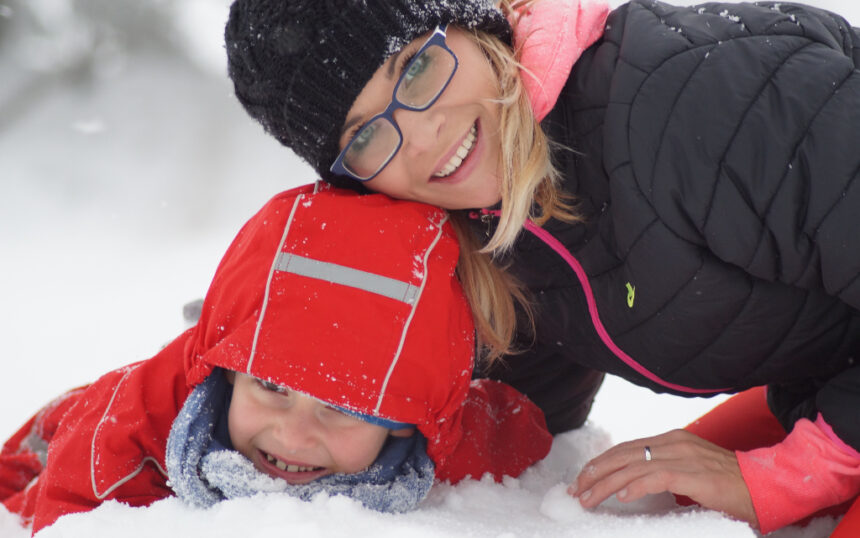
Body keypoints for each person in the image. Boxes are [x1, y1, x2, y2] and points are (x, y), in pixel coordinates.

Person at [222, 0, 860, 533]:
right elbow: (513, 411)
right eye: (364, 137)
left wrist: (798, 473)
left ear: (475, 24)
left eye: (416, 69)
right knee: (654, 502)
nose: (420, 136)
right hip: (827, 376)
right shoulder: (490, 222)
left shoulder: (689, 103)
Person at [0, 184, 552, 534]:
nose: (292, 436)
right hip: (58, 440)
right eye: (271, 387)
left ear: (408, 423)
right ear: (231, 375)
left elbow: (513, 427)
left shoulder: (435, 443)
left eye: (342, 408)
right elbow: (62, 518)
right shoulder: (124, 430)